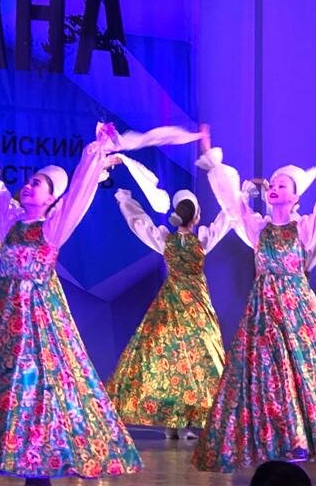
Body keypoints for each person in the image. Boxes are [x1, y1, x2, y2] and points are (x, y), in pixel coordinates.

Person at [0, 121, 145, 484]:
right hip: (3, 316)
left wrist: (96, 155)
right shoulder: (10, 220)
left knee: (41, 382)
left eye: (37, 183)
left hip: (40, 317)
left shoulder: (53, 227)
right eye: (28, 181)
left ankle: (40, 460)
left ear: (52, 198)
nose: (28, 185)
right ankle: (3, 450)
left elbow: (79, 194)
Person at [191, 131, 316, 472]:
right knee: (265, 374)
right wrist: (211, 155)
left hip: (297, 310)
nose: (275, 188)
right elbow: (231, 200)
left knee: (302, 371)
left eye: (283, 185)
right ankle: (268, 439)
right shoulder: (257, 228)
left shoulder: (304, 228)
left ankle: (300, 438)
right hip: (263, 312)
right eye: (273, 184)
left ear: (295, 196)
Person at [107, 179, 229, 439]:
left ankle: (173, 424)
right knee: (198, 358)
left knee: (170, 358)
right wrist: (242, 194)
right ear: (197, 216)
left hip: (172, 303)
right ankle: (185, 422)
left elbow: (140, 223)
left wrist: (125, 199)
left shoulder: (166, 240)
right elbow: (226, 219)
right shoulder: (202, 239)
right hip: (194, 304)